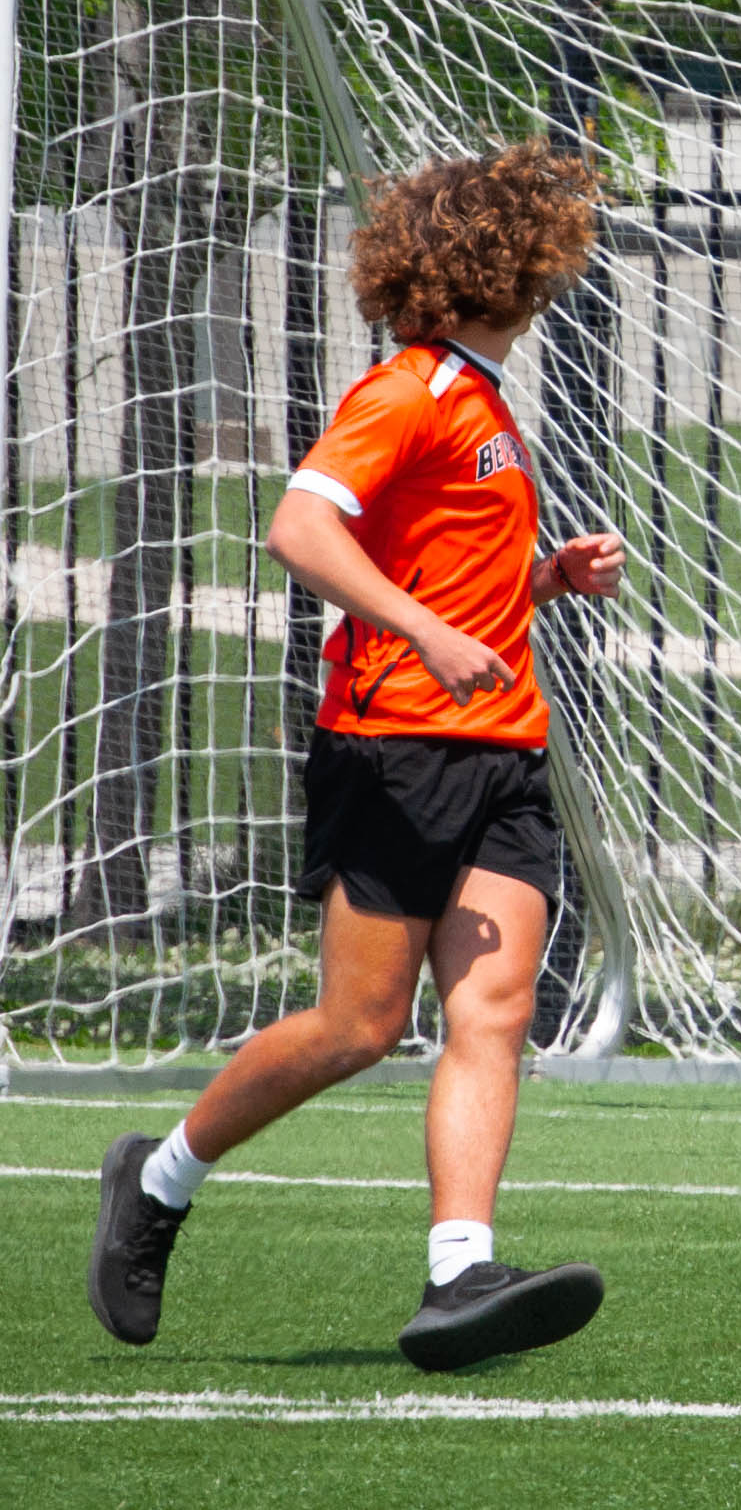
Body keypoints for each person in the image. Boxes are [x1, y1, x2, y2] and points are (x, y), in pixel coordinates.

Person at [87, 140, 625, 1372]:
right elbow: (298, 527)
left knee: (494, 1005)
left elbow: (442, 564)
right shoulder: (408, 391)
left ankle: (459, 1272)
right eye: (546, 248)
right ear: (504, 263)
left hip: (504, 749)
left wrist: (540, 580)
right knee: (358, 1024)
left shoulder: (484, 398)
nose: (560, 268)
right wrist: (426, 630)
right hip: (395, 748)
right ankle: (158, 1179)